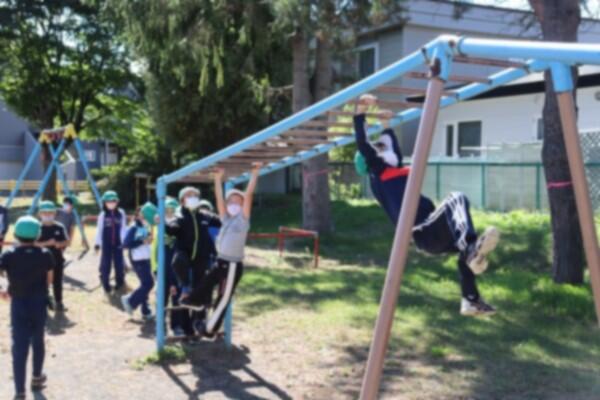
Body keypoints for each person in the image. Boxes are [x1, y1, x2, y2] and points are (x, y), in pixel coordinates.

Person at [353, 94, 499, 316]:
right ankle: (471, 252)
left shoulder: (393, 172)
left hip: (430, 231)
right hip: (423, 230)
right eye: (379, 147)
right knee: (456, 198)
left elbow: (394, 150)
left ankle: (470, 299)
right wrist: (360, 111)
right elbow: (363, 144)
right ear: (371, 160)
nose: (384, 148)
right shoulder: (378, 174)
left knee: (467, 245)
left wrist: (386, 125)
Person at [185, 162, 261, 336]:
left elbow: (249, 194)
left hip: (233, 264)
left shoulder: (243, 220)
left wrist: (255, 174)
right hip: (221, 261)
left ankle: (209, 329)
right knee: (207, 282)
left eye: (238, 202)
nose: (234, 204)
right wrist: (218, 179)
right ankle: (195, 300)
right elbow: (219, 199)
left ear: (243, 205)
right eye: (231, 202)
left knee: (224, 297)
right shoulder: (225, 219)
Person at [0, 216, 55, 400]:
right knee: (38, 340)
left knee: (19, 346)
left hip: (19, 303)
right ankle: (37, 378)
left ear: (16, 234)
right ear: (38, 235)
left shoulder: (8, 254)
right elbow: (49, 279)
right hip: (38, 302)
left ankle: (20, 391)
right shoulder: (45, 254)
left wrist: (2, 290)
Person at [165, 186, 221, 329]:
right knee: (178, 260)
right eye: (189, 195)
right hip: (185, 256)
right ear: (182, 200)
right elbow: (172, 229)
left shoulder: (204, 215)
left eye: (195, 195)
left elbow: (221, 221)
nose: (193, 198)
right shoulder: (180, 216)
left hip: (201, 258)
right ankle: (185, 288)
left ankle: (199, 322)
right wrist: (164, 223)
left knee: (201, 290)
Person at [151, 197, 192, 337]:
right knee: (162, 297)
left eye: (172, 211)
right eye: (166, 211)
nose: (169, 214)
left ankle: (176, 325)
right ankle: (160, 324)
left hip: (177, 270)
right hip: (163, 269)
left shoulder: (180, 228)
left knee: (177, 298)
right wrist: (155, 269)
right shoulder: (159, 228)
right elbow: (154, 250)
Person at [121, 204, 155, 320]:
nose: (144, 216)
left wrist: (149, 240)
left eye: (146, 214)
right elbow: (125, 244)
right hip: (138, 260)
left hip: (146, 258)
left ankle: (146, 311)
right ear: (137, 214)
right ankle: (130, 300)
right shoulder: (134, 227)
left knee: (144, 284)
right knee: (148, 283)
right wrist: (142, 242)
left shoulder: (147, 225)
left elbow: (147, 240)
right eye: (142, 214)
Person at [37, 201, 69, 313]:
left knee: (57, 281)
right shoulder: (36, 227)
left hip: (57, 259)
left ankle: (58, 302)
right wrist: (47, 243)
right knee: (42, 282)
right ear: (40, 214)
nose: (47, 215)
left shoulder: (59, 227)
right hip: (40, 261)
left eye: (50, 212)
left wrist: (59, 244)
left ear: (55, 214)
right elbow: (32, 244)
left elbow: (66, 241)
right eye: (44, 213)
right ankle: (44, 302)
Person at [95, 190, 127, 295]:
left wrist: (124, 241)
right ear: (104, 203)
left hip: (118, 243)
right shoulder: (102, 215)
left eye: (113, 201)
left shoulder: (121, 213)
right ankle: (106, 284)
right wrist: (97, 243)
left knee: (119, 263)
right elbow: (99, 230)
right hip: (106, 243)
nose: (111, 203)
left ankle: (120, 281)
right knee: (106, 264)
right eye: (108, 201)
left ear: (117, 202)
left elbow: (123, 228)